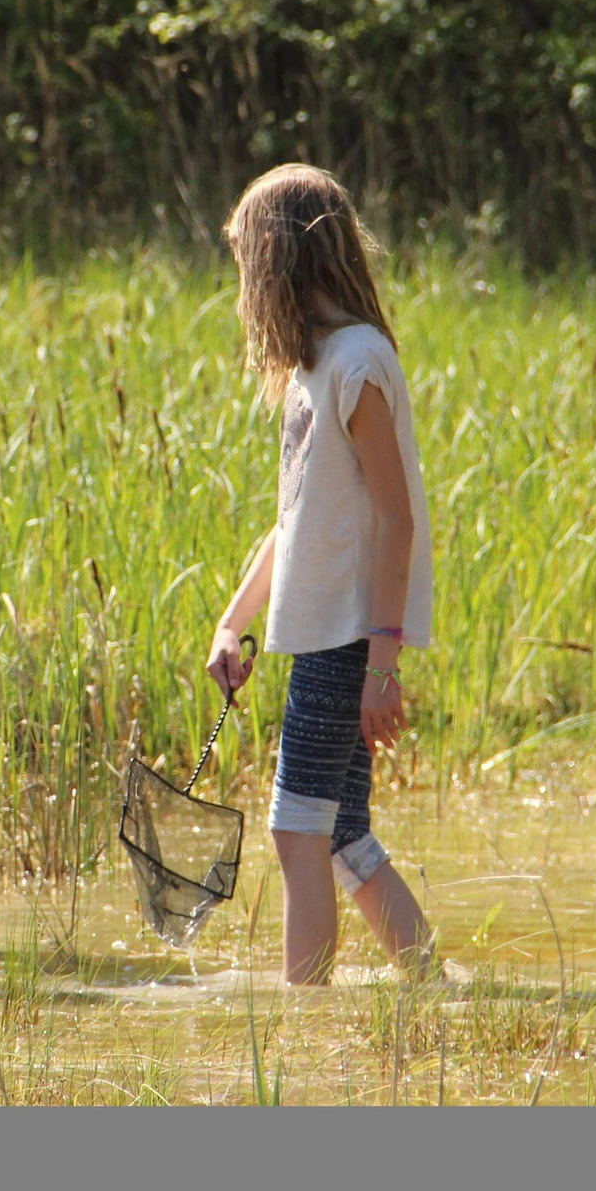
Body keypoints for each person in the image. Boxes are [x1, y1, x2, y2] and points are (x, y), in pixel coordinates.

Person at [205, 164, 439, 985]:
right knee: (341, 833)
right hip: (327, 637)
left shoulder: (357, 364)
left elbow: (398, 518)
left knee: (295, 828)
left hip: (349, 638)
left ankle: (302, 1011)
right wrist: (232, 622)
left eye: (246, 263)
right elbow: (295, 520)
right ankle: (431, 985)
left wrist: (382, 665)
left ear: (279, 261)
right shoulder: (313, 370)